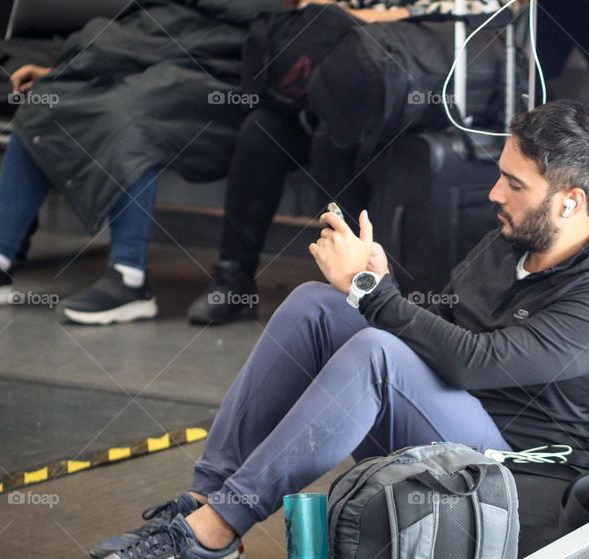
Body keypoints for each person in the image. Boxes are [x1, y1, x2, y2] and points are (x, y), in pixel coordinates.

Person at [72, 100, 589, 559]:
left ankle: (218, 530)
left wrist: (374, 296)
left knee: (376, 351)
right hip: (455, 434)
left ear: (570, 202)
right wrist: (375, 281)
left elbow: (474, 361)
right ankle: (205, 507)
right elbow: (443, 330)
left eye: (515, 185)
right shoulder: (508, 242)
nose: (495, 194)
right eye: (500, 177)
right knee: (315, 304)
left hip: (517, 484)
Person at [0, 0, 282, 324]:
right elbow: (141, 34)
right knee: (48, 98)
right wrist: (67, 68)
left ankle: (129, 277)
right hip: (157, 60)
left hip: (219, 75)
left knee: (129, 114)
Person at [187, 0, 504, 324]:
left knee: (333, 139)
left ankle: (353, 284)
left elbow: (483, 19)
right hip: (336, 90)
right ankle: (234, 278)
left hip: (413, 98)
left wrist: (371, 20)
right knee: (261, 132)